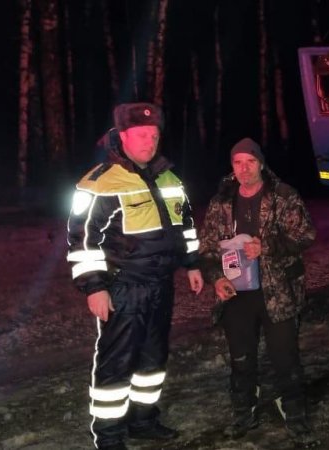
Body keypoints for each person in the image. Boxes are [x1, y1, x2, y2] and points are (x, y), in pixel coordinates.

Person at [66, 102, 204, 450]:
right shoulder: (98, 182)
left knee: (153, 359)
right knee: (116, 362)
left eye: (154, 135)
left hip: (161, 285)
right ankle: (109, 437)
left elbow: (185, 226)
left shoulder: (169, 177)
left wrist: (192, 264)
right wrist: (94, 287)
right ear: (122, 136)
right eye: (141, 134)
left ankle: (144, 420)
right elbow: (81, 239)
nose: (149, 141)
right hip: (123, 288)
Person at [198, 137, 319, 448]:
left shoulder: (283, 196)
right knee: (241, 359)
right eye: (237, 162)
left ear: (261, 164)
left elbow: (305, 235)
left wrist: (268, 247)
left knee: (285, 358)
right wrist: (216, 279)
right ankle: (243, 412)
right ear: (232, 167)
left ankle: (293, 412)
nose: (244, 168)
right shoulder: (221, 202)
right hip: (236, 295)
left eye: (250, 161)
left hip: (278, 292)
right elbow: (208, 248)